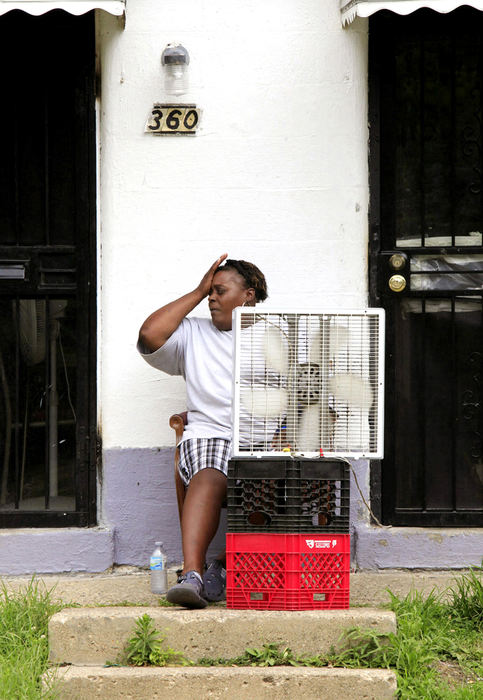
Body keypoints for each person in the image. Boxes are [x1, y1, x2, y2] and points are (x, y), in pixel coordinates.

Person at [137, 254, 268, 608]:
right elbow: (150, 335)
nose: (212, 298)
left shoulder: (276, 337)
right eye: (210, 292)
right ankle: (192, 576)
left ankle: (223, 565)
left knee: (276, 482)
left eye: (219, 291)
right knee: (209, 475)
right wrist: (197, 290)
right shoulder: (193, 332)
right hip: (209, 435)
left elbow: (302, 394)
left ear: (249, 295)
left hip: (261, 443)